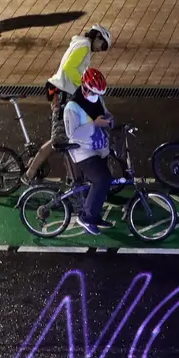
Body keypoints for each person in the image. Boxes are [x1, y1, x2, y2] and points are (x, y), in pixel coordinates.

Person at [24, 25, 113, 183]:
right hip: (61, 92)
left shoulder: (81, 44)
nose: (101, 50)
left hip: (61, 91)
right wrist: (85, 84)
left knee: (66, 136)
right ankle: (30, 173)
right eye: (103, 45)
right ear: (97, 37)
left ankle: (73, 177)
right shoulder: (84, 45)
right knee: (60, 139)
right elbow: (69, 68)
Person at [62, 68, 114, 236]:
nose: (95, 96)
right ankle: (87, 217)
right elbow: (72, 134)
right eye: (93, 92)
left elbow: (104, 113)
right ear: (85, 88)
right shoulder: (72, 107)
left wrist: (109, 119)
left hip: (99, 149)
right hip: (83, 152)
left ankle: (94, 215)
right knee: (103, 179)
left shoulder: (97, 97)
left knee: (103, 182)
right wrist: (95, 125)